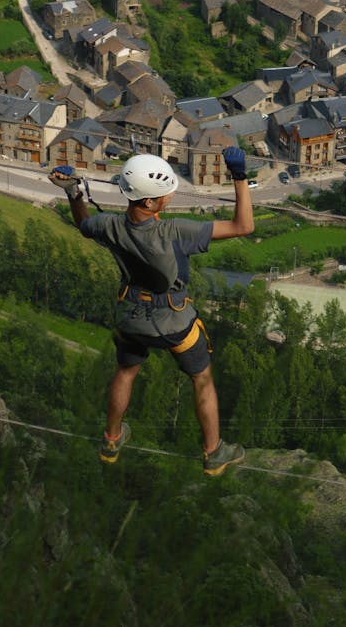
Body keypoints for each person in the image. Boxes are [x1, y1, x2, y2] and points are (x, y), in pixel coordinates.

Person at [49, 147, 254, 476]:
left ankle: (112, 440)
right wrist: (240, 177)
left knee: (126, 371)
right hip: (174, 321)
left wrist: (73, 191)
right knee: (201, 379)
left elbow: (83, 224)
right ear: (150, 202)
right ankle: (214, 452)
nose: (171, 196)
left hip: (131, 318)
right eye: (165, 194)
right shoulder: (175, 233)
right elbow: (243, 225)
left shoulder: (110, 225)